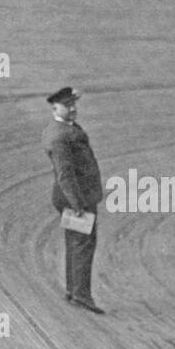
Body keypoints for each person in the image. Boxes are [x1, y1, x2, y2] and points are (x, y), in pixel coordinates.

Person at [44, 86, 105, 314]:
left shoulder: (61, 129)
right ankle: (81, 294)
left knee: (76, 243)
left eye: (73, 104)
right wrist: (78, 204)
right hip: (77, 198)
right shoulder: (60, 135)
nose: (72, 109)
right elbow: (65, 174)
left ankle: (73, 291)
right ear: (54, 108)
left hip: (73, 197)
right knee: (83, 243)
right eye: (67, 105)